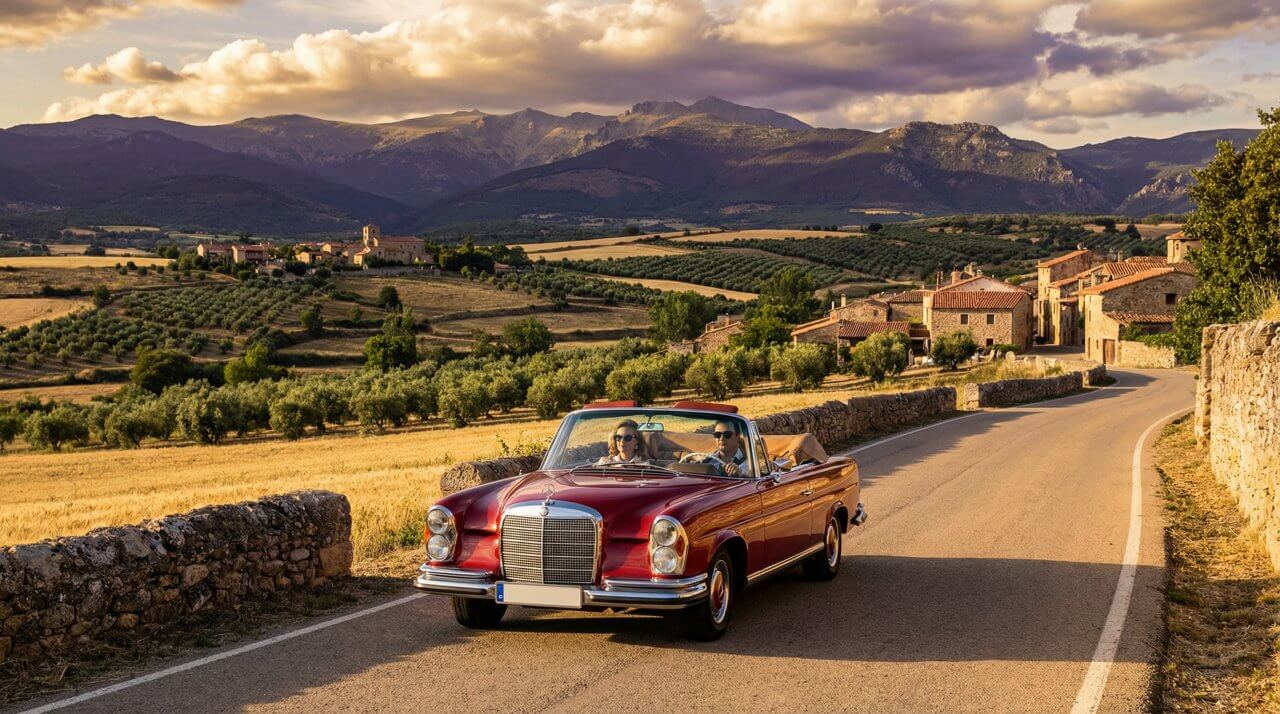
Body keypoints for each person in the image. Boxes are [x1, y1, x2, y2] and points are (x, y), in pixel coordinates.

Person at [681, 419, 749, 477]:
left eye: (727, 435)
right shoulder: (707, 460)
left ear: (737, 437)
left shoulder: (750, 463)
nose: (721, 438)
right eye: (717, 435)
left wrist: (741, 474)